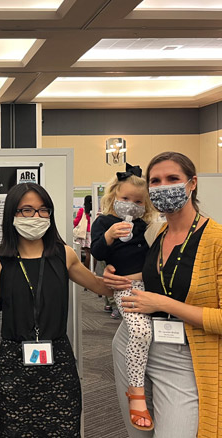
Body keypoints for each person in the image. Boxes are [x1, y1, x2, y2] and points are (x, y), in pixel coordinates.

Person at [104, 151, 222, 438]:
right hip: (134, 344)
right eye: (154, 181)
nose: (162, 187)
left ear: (192, 183)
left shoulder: (216, 241)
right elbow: (158, 277)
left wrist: (164, 303)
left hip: (184, 356)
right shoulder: (156, 234)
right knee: (139, 434)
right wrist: (117, 278)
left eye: (172, 179)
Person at [0, 182, 110, 437]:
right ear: (12, 214)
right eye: (27, 210)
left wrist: (114, 272)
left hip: (58, 361)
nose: (37, 216)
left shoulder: (64, 254)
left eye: (43, 210)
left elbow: (100, 287)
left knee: (62, 430)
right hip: (13, 363)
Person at [90, 163, 156, 431]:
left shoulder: (145, 225)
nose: (131, 205)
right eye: (126, 199)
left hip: (151, 286)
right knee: (140, 332)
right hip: (126, 287)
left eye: (138, 201)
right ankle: (135, 389)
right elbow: (96, 253)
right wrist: (108, 235)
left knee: (155, 334)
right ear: (114, 196)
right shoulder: (104, 222)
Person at [73, 195, 92, 269]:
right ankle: (92, 270)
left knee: (86, 252)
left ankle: (85, 269)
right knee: (91, 254)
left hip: (84, 233)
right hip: (92, 233)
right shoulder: (95, 210)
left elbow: (76, 222)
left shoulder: (82, 210)